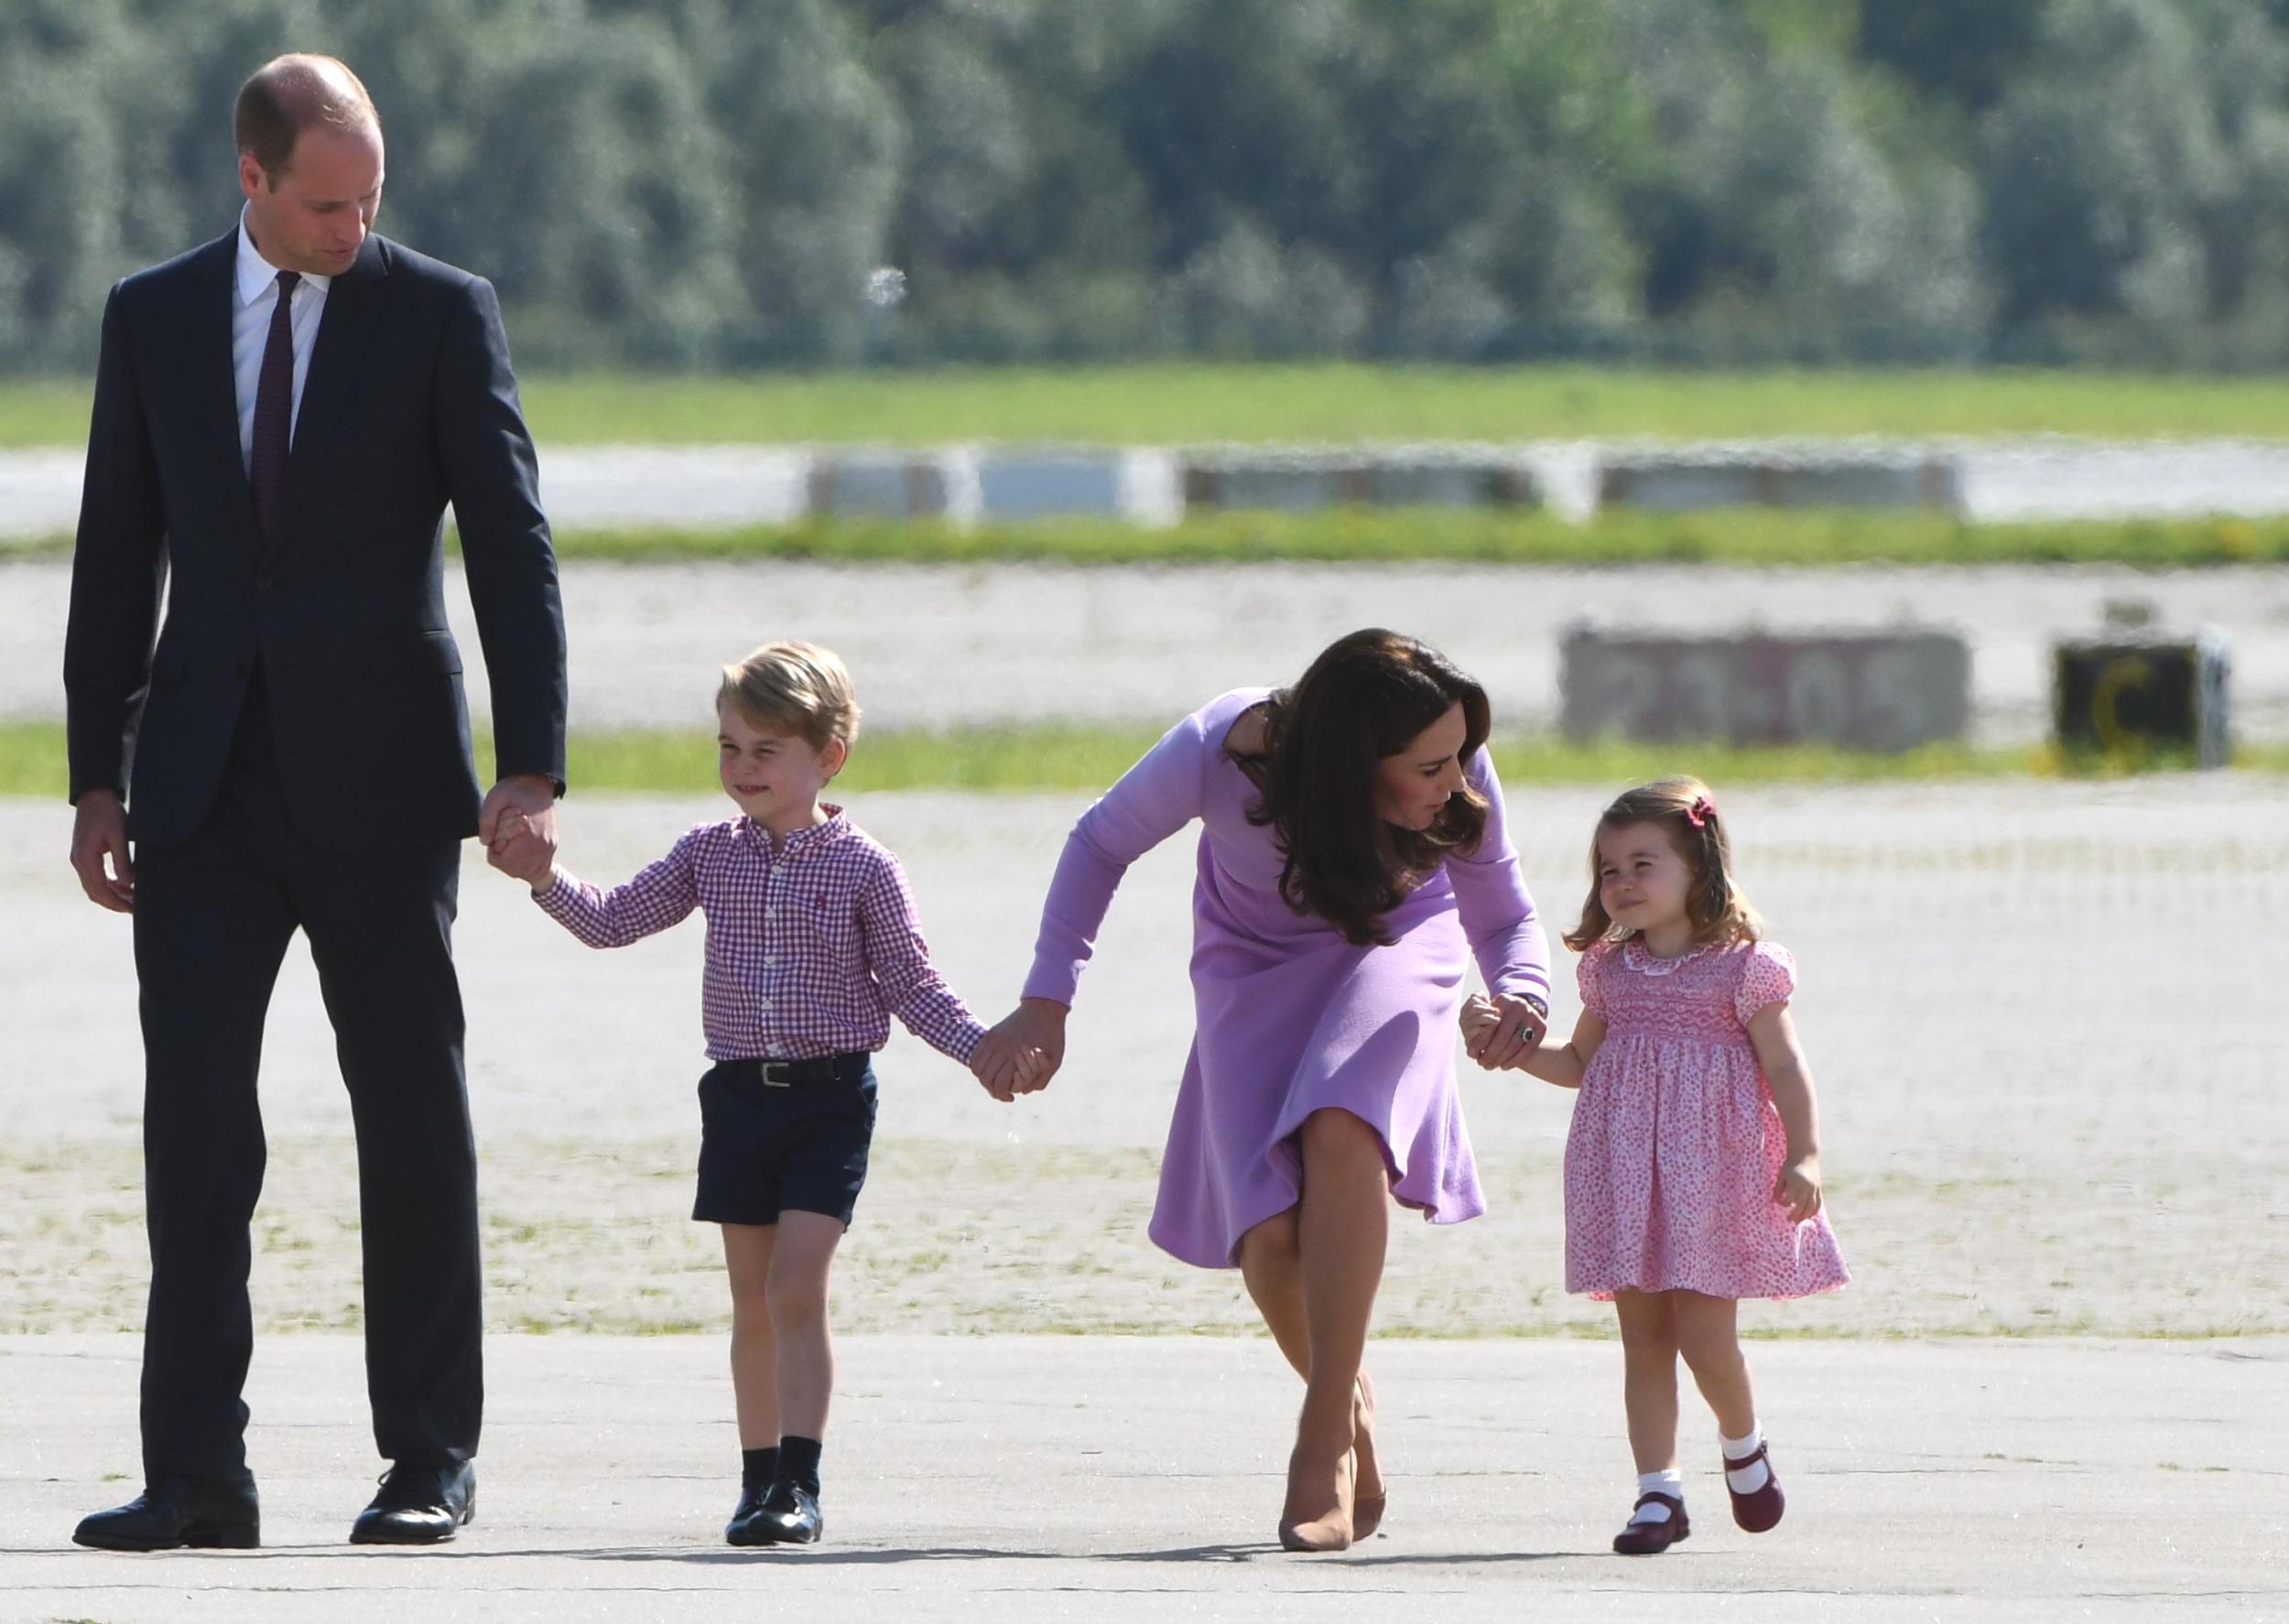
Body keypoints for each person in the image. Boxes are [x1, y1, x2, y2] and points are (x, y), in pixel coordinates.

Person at [63, 55, 566, 1551]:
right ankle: (195, 1473)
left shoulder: (439, 309)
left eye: (371, 198)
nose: (357, 224)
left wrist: (530, 762)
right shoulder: (151, 317)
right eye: (327, 202)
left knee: (412, 1117)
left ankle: (428, 1456)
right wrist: (97, 770)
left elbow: (510, 543)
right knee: (196, 1132)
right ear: (253, 181)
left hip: (390, 780)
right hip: (204, 781)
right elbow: (115, 551)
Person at [971, 628, 1552, 1552]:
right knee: (1268, 1235)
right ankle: (1354, 1414)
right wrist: (1047, 1002)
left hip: (1400, 951)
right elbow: (1098, 842)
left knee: (1342, 1122)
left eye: (1456, 757)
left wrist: (1522, 991)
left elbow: (1507, 913)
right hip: (1249, 967)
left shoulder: (1455, 768)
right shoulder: (1221, 747)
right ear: (1348, 760)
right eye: (1428, 765)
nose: (1455, 780)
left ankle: (1318, 1444)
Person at [486, 640, 1037, 1546]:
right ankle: (756, 1485)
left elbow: (911, 982)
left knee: (795, 1286)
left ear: (828, 758)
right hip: (738, 1096)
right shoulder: (709, 855)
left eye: (764, 750)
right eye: (728, 747)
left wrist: (982, 1050)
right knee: (751, 1298)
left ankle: (800, 1480)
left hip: (829, 1099)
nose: (741, 768)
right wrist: (543, 877)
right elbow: (615, 919)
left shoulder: (865, 866)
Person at [1461, 777, 1848, 1555]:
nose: (1623, 883)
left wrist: (1805, 1154)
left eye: (1644, 864)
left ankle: (1743, 1445)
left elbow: (1787, 1067)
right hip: (1624, 1173)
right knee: (1643, 1338)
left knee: (1706, 1339)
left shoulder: (1744, 969)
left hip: (1717, 1176)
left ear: (1698, 868)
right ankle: (1657, 1494)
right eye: (1608, 870)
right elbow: (1577, 1062)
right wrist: (1503, 1046)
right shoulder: (1611, 970)